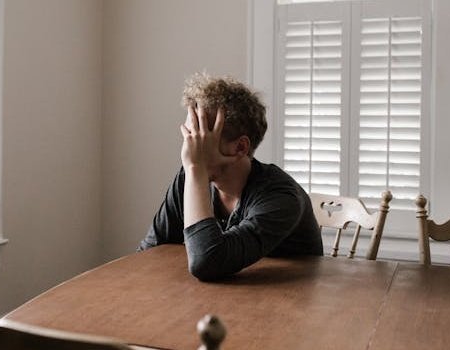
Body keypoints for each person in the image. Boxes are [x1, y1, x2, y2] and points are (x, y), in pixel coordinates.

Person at [138, 73, 323, 281]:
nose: (189, 148)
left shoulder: (281, 196)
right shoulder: (189, 177)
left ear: (240, 147)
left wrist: (196, 168)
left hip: (290, 297)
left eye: (200, 137)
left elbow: (207, 262)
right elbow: (149, 253)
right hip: (222, 295)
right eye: (189, 136)